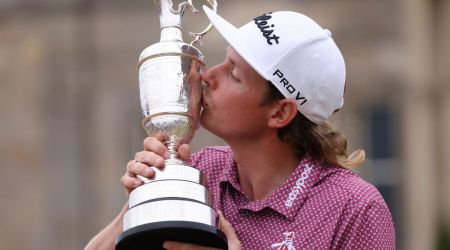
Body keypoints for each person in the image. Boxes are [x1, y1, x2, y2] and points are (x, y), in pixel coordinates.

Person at [85, 6, 396, 250]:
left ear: (280, 112)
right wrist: (142, 200)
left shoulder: (355, 208)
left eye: (233, 74)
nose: (208, 76)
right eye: (224, 60)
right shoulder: (203, 169)